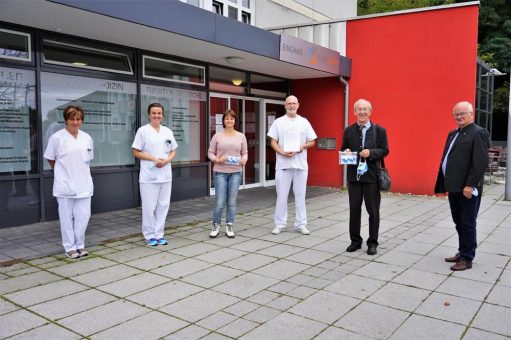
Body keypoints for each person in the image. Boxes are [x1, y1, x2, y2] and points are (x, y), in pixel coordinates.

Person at [435, 101, 490, 271]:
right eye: (456, 114)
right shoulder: (453, 133)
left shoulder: (478, 133)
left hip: (467, 189)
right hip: (454, 187)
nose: (459, 117)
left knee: (467, 222)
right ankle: (463, 250)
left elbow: (480, 163)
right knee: (458, 222)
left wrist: (470, 185)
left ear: (471, 114)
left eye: (462, 114)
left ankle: (467, 258)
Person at [44, 105, 93, 259]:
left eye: (78, 119)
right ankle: (70, 247)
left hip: (83, 183)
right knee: (66, 218)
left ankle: (80, 245)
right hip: (65, 184)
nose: (75, 122)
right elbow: (51, 159)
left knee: (83, 216)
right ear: (66, 120)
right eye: (72, 119)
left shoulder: (87, 138)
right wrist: (61, 171)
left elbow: (88, 160)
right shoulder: (57, 138)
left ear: (82, 121)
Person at [341, 99, 389, 255]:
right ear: (355, 112)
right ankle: (355, 241)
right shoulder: (348, 130)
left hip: (371, 176)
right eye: (359, 109)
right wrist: (346, 152)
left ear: (370, 111)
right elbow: (343, 148)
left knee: (373, 211)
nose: (362, 112)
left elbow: (385, 150)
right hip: (354, 177)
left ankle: (372, 242)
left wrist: (371, 153)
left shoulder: (379, 130)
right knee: (354, 210)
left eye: (365, 109)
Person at [267, 95, 317, 235]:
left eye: (294, 103)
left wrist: (302, 146)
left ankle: (301, 224)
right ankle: (280, 224)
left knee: (300, 195)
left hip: (300, 165)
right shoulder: (278, 122)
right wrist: (282, 152)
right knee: (281, 196)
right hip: (283, 165)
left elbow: (312, 141)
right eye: (289, 103)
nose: (292, 106)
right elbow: (273, 142)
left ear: (298, 105)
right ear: (285, 105)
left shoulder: (304, 122)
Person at [132, 103, 178, 247]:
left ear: (163, 115)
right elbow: (135, 151)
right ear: (149, 114)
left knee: (163, 206)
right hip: (149, 176)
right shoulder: (143, 131)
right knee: (149, 207)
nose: (156, 115)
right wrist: (153, 159)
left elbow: (173, 151)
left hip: (165, 175)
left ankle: (159, 234)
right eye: (154, 113)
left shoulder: (167, 131)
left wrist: (166, 161)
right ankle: (149, 235)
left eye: (159, 113)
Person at [208, 110, 248, 238]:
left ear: (235, 121)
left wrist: (244, 160)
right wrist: (217, 160)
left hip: (236, 172)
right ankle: (216, 225)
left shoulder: (241, 136)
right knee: (219, 201)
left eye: (232, 118)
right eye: (227, 118)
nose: (229, 120)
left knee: (231, 201)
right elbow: (210, 153)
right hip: (220, 172)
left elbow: (245, 153)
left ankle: (229, 225)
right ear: (223, 121)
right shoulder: (217, 136)